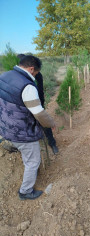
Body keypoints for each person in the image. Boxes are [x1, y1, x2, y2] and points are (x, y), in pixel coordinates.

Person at [0, 55, 55, 200]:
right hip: (22, 131)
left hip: (6, 127)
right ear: (31, 69)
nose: (36, 76)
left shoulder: (5, 75)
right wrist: (51, 123)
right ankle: (25, 191)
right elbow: (39, 113)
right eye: (36, 73)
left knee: (27, 156)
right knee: (33, 161)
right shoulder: (27, 86)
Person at [17, 54, 59, 154]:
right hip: (23, 107)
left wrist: (40, 103)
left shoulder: (37, 75)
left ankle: (52, 143)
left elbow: (40, 90)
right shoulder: (17, 76)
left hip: (37, 103)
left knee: (45, 124)